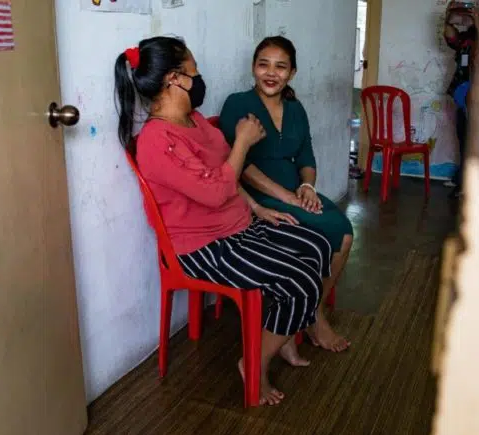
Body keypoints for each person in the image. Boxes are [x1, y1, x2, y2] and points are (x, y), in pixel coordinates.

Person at [115, 36, 334, 406]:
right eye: (194, 72)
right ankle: (254, 363)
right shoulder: (157, 140)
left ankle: (280, 340)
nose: (199, 79)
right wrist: (243, 143)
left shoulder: (193, 120)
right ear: (175, 79)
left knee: (318, 245)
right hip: (203, 246)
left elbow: (224, 178)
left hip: (237, 226)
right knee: (300, 281)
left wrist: (257, 209)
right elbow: (216, 190)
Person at [218, 36, 353, 353]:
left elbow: (306, 157)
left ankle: (311, 310)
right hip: (254, 198)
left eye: (280, 67)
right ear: (253, 67)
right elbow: (239, 164)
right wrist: (286, 196)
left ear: (292, 73)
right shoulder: (238, 103)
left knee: (345, 233)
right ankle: (314, 316)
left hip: (295, 192)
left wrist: (306, 187)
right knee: (328, 230)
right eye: (263, 64)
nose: (270, 73)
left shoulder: (295, 108)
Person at [443, 3, 479, 198]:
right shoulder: (466, 38)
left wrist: (478, 22)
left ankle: (469, 185)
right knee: (463, 138)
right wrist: (448, 18)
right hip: (462, 93)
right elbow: (450, 36)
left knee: (472, 141)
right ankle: (461, 180)